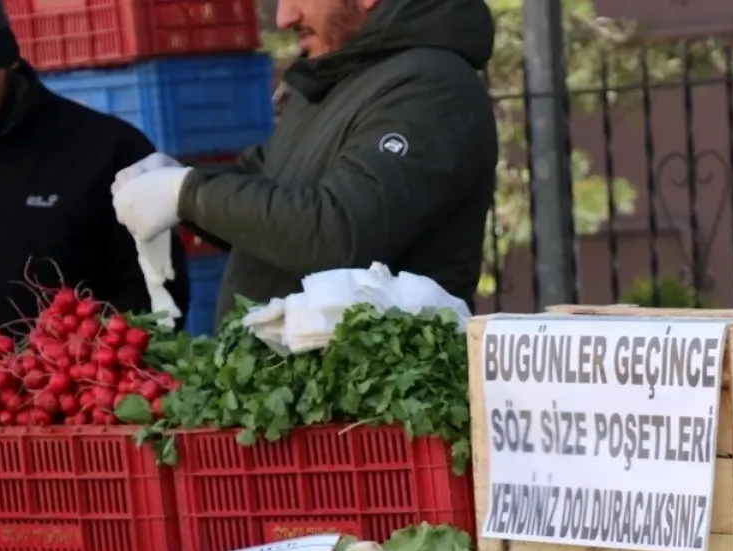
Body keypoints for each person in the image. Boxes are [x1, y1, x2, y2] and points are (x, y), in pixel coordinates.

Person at [112, 0, 498, 321]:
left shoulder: (432, 88)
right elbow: (271, 178)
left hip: (367, 403)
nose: (284, 17)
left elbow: (338, 231)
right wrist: (178, 180)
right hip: (287, 394)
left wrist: (188, 193)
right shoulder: (339, 74)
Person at [0, 0, 189, 330]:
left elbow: (157, 296)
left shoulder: (107, 149)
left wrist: (81, 365)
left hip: (76, 375)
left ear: (11, 61)